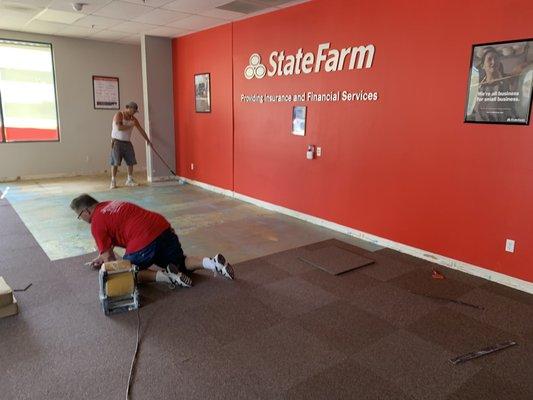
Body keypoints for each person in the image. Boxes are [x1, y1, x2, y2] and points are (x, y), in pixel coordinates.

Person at [70, 194, 234, 288]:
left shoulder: (96, 223)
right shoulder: (111, 204)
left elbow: (110, 260)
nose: (81, 219)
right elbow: (110, 243)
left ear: (85, 211)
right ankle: (213, 263)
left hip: (143, 239)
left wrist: (107, 265)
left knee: (129, 273)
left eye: (79, 216)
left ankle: (168, 277)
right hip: (162, 227)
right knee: (181, 262)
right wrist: (102, 255)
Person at [470, 47, 518, 122]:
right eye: (489, 59)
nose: (494, 62)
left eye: (496, 58)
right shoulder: (477, 87)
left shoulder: (508, 82)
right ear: (483, 65)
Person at [110, 101, 151, 189]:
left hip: (127, 142)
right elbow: (119, 128)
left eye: (135, 111)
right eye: (133, 110)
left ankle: (129, 180)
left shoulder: (133, 119)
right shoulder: (119, 114)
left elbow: (141, 129)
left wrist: (147, 140)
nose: (134, 113)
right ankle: (113, 181)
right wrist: (131, 125)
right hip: (117, 142)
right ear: (128, 108)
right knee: (115, 162)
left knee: (131, 161)